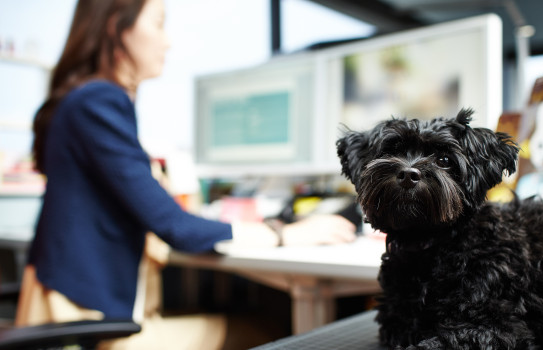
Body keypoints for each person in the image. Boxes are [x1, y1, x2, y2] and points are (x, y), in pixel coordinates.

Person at [15, 0, 357, 348]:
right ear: (117, 24)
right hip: (87, 328)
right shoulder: (98, 101)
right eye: (159, 24)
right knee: (268, 332)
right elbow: (176, 228)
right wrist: (284, 234)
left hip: (70, 313)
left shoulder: (76, 101)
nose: (168, 41)